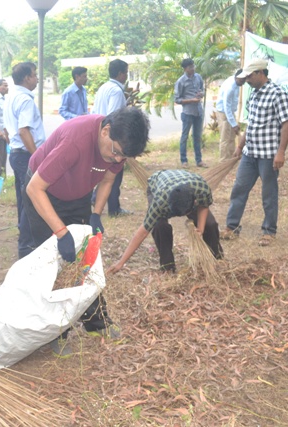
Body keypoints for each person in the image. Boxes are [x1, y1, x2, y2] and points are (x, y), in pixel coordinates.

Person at [19, 107, 149, 356]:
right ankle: (56, 333)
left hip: (77, 196)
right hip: (44, 195)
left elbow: (108, 180)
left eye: (124, 157)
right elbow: (35, 188)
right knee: (54, 264)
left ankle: (96, 321)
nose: (118, 161)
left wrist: (95, 214)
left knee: (86, 259)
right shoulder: (76, 140)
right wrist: (60, 233)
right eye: (116, 153)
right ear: (105, 131)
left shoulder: (118, 148)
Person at [220, 58, 288, 247]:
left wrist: (281, 152)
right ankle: (232, 227)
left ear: (260, 73)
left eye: (250, 76)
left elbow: (286, 123)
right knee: (239, 189)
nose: (247, 80)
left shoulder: (277, 94)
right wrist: (240, 146)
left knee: (269, 193)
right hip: (250, 153)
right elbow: (250, 124)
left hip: (268, 155)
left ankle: (269, 231)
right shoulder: (253, 95)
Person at [107, 169, 223, 274]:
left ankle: (216, 258)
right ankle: (167, 267)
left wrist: (201, 229)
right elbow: (142, 233)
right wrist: (120, 263)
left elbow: (203, 206)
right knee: (160, 227)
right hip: (157, 182)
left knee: (210, 224)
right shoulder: (160, 203)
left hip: (184, 183)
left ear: (195, 201)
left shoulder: (201, 189)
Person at [3, 62, 46, 226]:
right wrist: (37, 156)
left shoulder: (10, 96)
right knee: (31, 196)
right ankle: (27, 236)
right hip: (25, 154)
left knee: (23, 195)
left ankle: (23, 230)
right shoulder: (25, 100)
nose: (37, 79)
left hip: (17, 153)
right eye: (34, 75)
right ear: (27, 78)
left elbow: (6, 129)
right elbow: (23, 131)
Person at [91, 59, 131, 217]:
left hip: (100, 133)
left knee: (103, 170)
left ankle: (95, 198)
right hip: (111, 137)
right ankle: (114, 208)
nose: (126, 76)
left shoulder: (104, 87)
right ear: (120, 74)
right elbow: (113, 117)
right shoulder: (116, 91)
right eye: (126, 73)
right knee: (115, 172)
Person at [174, 58, 207, 168]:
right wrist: (191, 100)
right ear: (185, 69)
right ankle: (184, 160)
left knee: (197, 137)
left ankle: (199, 160)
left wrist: (201, 94)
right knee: (185, 137)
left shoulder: (198, 77)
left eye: (193, 66)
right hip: (188, 113)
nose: (193, 69)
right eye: (190, 67)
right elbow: (177, 99)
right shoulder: (181, 81)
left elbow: (202, 89)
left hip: (198, 111)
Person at [215, 69, 245, 161]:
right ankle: (223, 160)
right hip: (224, 113)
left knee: (232, 137)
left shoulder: (236, 82)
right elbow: (226, 107)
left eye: (244, 80)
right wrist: (233, 124)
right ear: (237, 77)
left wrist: (233, 123)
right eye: (242, 80)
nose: (243, 83)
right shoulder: (230, 87)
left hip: (230, 112)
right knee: (225, 139)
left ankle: (231, 158)